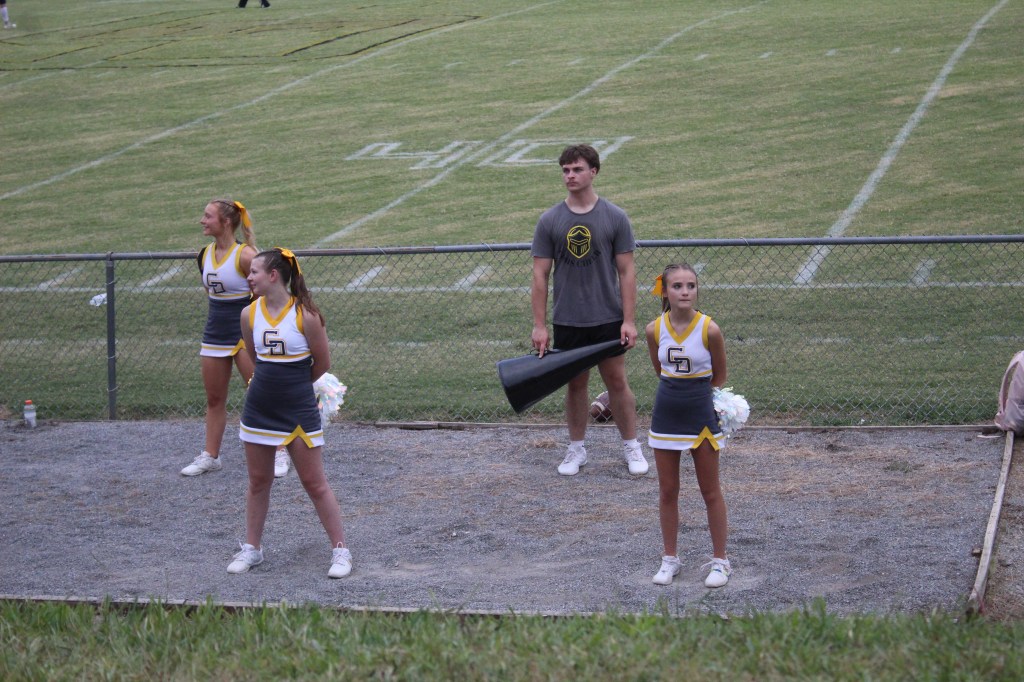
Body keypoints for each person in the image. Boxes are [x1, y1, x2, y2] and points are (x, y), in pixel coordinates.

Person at [228, 247, 352, 578]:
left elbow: (322, 362)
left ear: (273, 276)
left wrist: (295, 387)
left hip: (298, 409)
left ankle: (341, 551)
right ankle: (252, 549)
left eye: (254, 272)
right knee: (258, 481)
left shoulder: (306, 316)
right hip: (259, 409)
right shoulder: (248, 314)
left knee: (314, 482)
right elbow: (254, 358)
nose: (248, 277)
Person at [530, 143, 648, 476]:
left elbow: (627, 271)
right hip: (568, 319)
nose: (570, 175)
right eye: (566, 170)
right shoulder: (550, 220)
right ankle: (576, 449)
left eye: (577, 169)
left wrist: (628, 320)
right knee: (576, 385)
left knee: (617, 383)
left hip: (607, 318)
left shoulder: (615, 217)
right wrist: (540, 325)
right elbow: (539, 275)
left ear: (593, 172)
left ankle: (632, 446)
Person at [180, 200, 292, 479]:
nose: (202, 221)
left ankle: (280, 450)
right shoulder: (204, 255)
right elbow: (211, 294)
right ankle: (211, 456)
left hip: (244, 334)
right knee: (214, 398)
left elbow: (264, 293)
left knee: (261, 393)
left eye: (208, 216)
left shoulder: (245, 255)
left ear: (226, 222)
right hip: (214, 334)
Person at [645, 263, 731, 588]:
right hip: (666, 415)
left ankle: (721, 561)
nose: (685, 292)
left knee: (710, 490)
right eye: (677, 286)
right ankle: (670, 559)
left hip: (700, 416)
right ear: (665, 291)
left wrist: (696, 395)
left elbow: (719, 376)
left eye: (691, 286)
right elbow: (660, 370)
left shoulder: (710, 329)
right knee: (668, 491)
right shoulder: (654, 329)